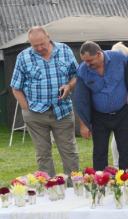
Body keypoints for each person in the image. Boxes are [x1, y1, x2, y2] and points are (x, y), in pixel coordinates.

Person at [10, 26, 80, 180]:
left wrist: (69, 86)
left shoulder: (65, 50)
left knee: (69, 151)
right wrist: (26, 109)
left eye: (42, 43)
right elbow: (16, 87)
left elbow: (75, 75)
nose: (39, 48)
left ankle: (73, 187)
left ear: (48, 37)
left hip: (62, 111)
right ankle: (51, 188)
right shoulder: (23, 57)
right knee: (43, 153)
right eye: (35, 45)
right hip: (35, 113)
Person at [74, 41, 128, 172]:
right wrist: (83, 124)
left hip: (122, 112)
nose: (87, 64)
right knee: (99, 152)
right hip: (99, 117)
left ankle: (125, 182)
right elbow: (80, 99)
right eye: (85, 61)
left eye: (90, 60)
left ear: (99, 54)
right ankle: (101, 182)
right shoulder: (83, 70)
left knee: (125, 149)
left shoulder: (119, 57)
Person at [108, 42, 128, 168]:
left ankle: (127, 161)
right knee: (118, 137)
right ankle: (117, 163)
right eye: (125, 56)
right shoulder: (112, 70)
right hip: (121, 107)